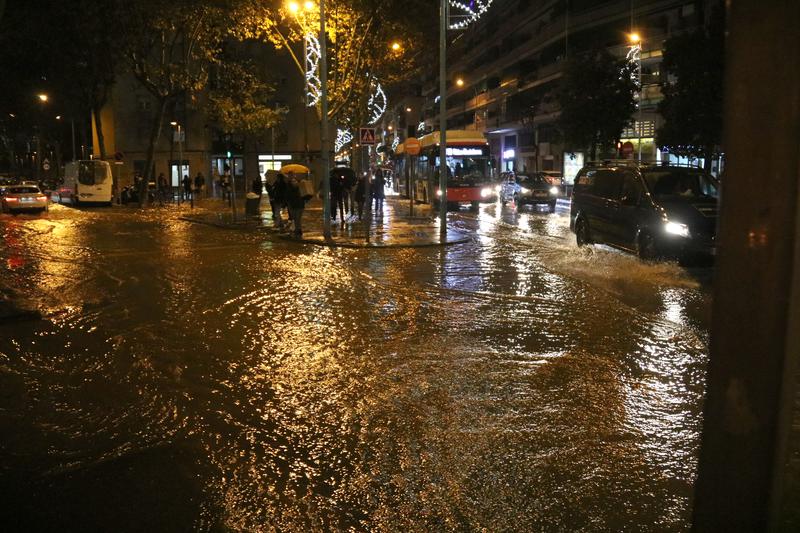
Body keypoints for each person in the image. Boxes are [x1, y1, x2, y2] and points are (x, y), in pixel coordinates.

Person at [285, 172, 309, 237]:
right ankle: (298, 230)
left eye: (294, 181)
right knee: (296, 218)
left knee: (297, 218)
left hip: (298, 205)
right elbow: (287, 196)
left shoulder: (298, 188)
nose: (294, 182)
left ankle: (298, 230)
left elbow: (304, 196)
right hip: (294, 205)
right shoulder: (290, 186)